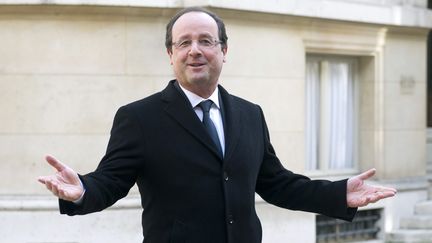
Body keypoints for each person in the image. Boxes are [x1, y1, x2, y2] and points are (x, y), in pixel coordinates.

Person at [38, 7, 397, 243]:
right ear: (171, 55)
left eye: (206, 41)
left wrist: (338, 194)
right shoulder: (139, 118)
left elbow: (276, 184)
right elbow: (110, 181)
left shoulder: (249, 114)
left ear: (224, 51)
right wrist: (82, 189)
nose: (195, 50)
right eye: (184, 42)